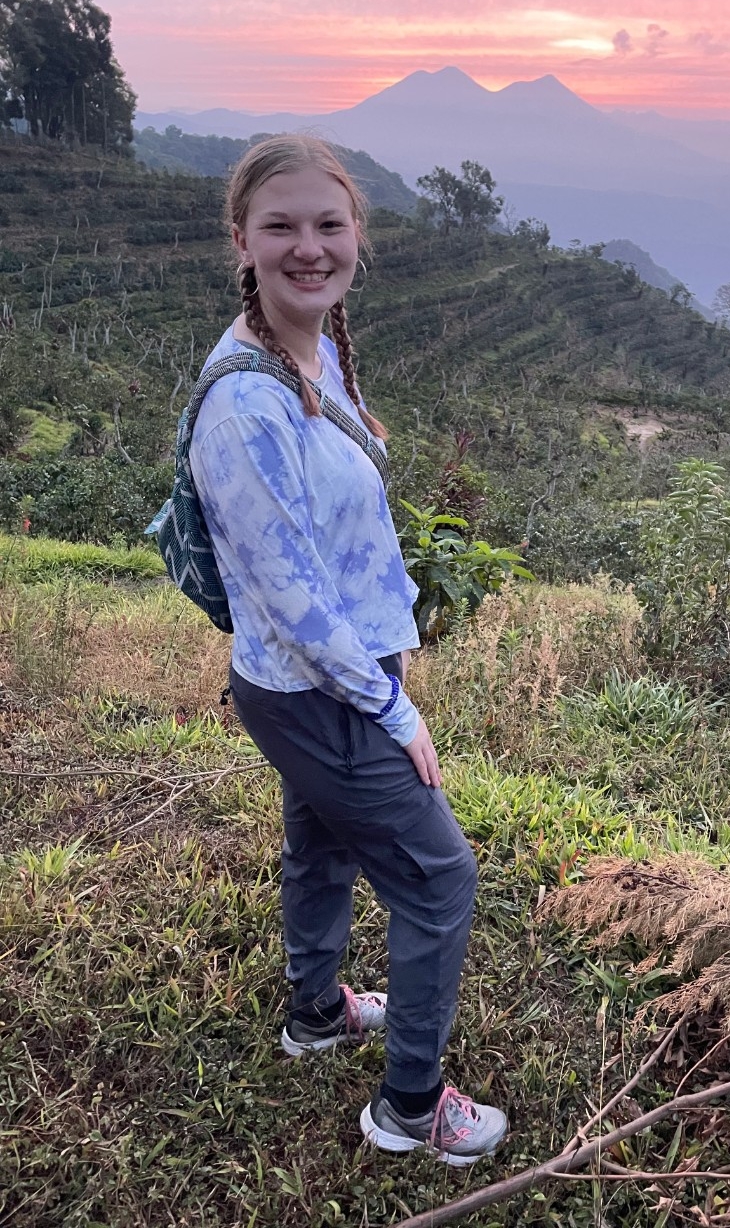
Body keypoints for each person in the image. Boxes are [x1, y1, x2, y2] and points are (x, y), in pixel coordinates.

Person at [189, 134, 507, 1164]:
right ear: (242, 237)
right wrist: (391, 707)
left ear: (357, 234)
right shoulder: (245, 402)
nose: (309, 246)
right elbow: (292, 594)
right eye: (281, 224)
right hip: (318, 685)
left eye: (329, 224)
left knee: (321, 840)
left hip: (326, 678)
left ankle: (315, 1013)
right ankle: (411, 1109)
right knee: (439, 876)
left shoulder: (308, 347)